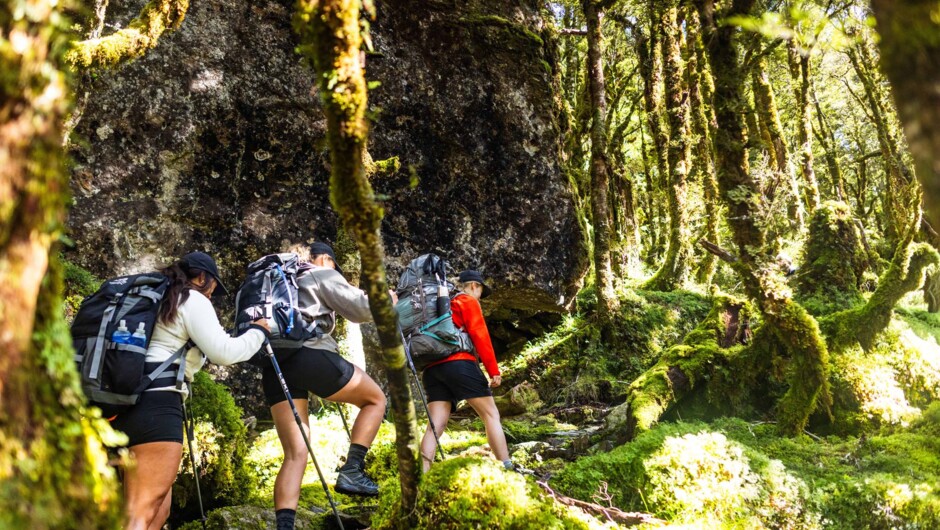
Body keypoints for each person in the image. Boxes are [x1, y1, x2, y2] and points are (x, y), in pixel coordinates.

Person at [112, 251, 271, 530]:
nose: (211, 296)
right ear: (201, 277)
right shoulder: (191, 299)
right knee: (141, 514)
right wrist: (259, 331)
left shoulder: (152, 298)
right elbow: (224, 351)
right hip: (157, 407)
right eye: (212, 289)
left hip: (121, 403)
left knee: (159, 511)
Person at [262, 242, 387, 530]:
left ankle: (284, 526)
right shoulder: (321, 272)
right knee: (375, 400)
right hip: (311, 356)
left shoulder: (273, 282)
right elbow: (360, 310)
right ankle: (353, 469)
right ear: (325, 259)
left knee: (295, 453)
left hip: (274, 364)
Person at [419, 269, 511, 472]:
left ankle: (422, 474)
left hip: (431, 369)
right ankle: (506, 466)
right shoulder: (466, 301)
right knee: (490, 414)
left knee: (435, 426)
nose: (479, 297)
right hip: (459, 364)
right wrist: (493, 371)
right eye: (480, 291)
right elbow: (480, 335)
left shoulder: (435, 307)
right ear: (473, 286)